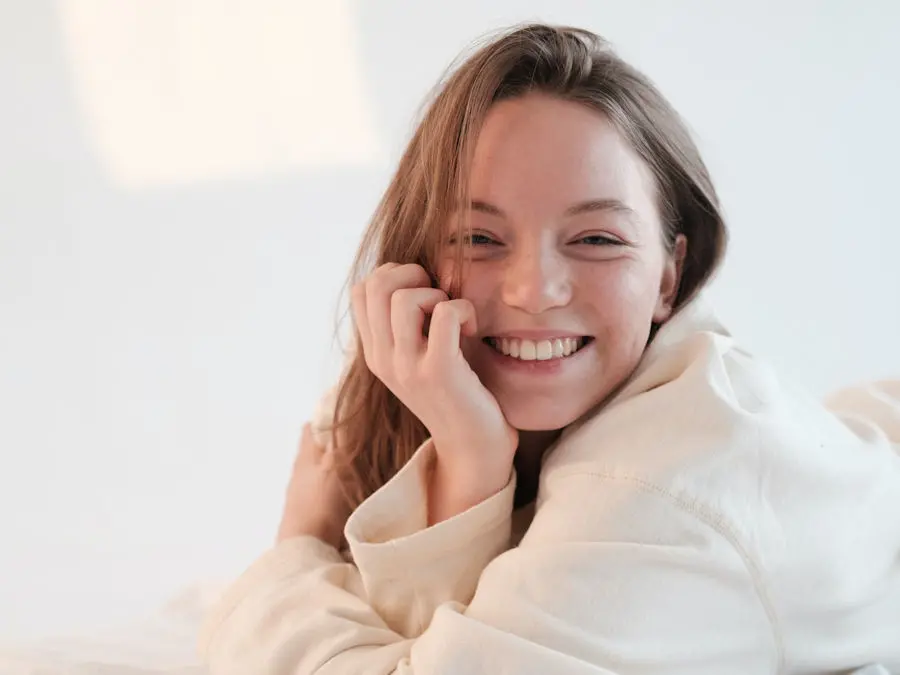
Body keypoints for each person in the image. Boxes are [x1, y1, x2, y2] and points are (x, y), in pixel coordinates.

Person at [197, 23, 900, 674]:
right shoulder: (450, 399)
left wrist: (293, 552)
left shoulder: (659, 494)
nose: (535, 291)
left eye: (596, 239)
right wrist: (467, 461)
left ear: (669, 274)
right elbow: (432, 637)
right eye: (480, 238)